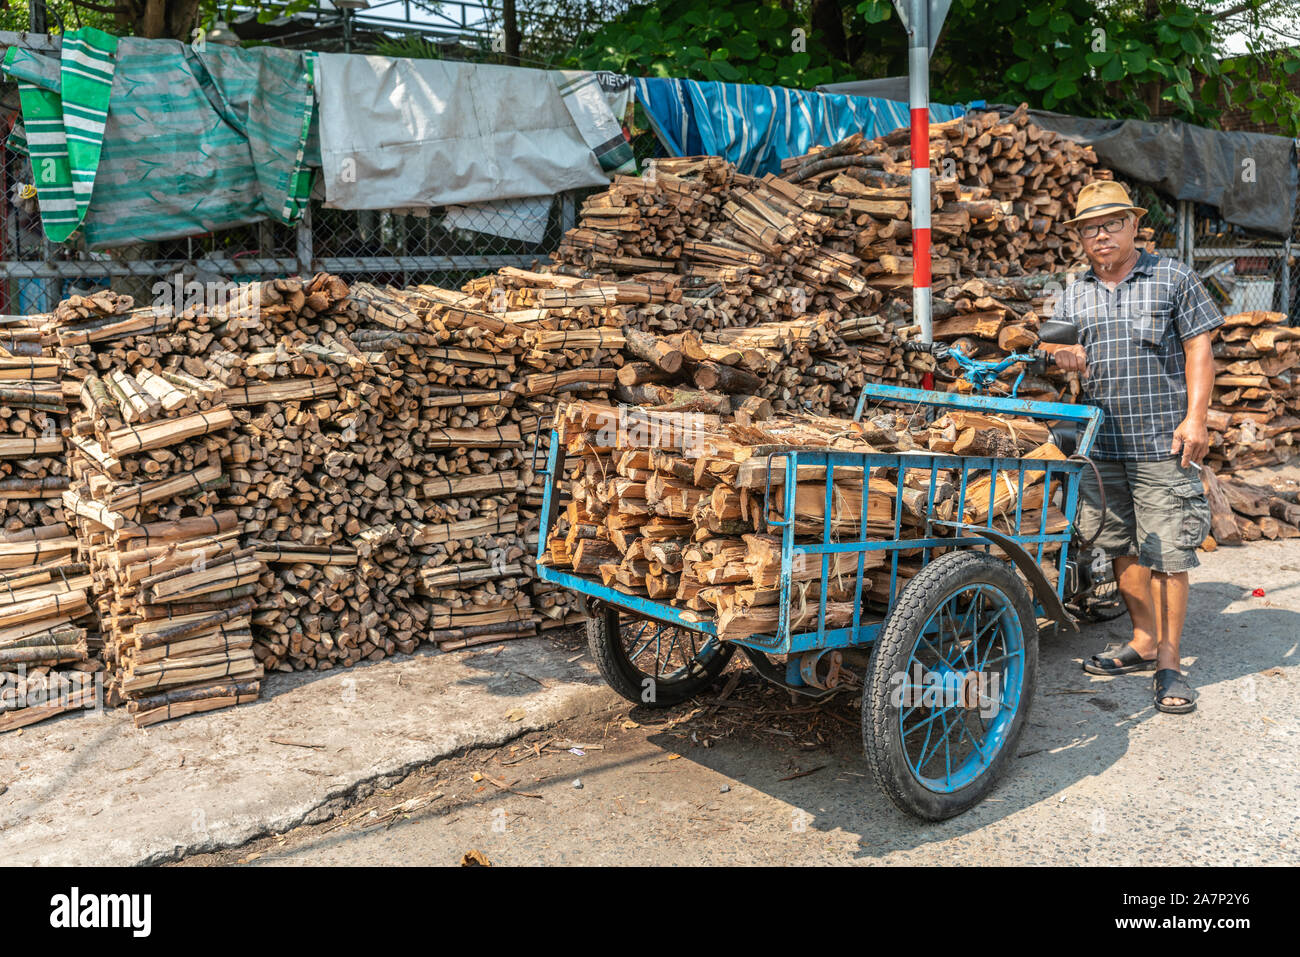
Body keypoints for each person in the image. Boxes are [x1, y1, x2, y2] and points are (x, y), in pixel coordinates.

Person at [1052, 181, 1223, 715]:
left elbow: (1200, 348)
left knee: (1168, 551)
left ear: (1133, 226)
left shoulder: (1171, 277)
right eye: (1088, 228)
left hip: (1161, 439)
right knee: (1120, 545)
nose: (1099, 236)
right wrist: (1060, 353)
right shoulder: (1072, 289)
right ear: (1079, 237)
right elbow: (1048, 342)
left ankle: (1170, 662)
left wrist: (1196, 418)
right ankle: (1143, 639)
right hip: (1102, 444)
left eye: (1110, 224)